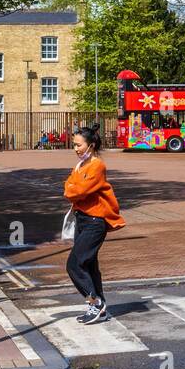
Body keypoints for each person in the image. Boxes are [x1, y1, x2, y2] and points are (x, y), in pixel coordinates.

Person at [63, 122, 126, 324]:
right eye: (74, 144)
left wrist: (73, 187)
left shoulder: (97, 166)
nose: (75, 149)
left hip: (94, 221)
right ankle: (100, 307)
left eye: (79, 145)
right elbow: (69, 187)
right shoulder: (80, 166)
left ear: (91, 145)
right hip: (82, 219)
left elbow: (78, 191)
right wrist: (73, 187)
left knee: (74, 264)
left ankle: (95, 303)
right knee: (89, 264)